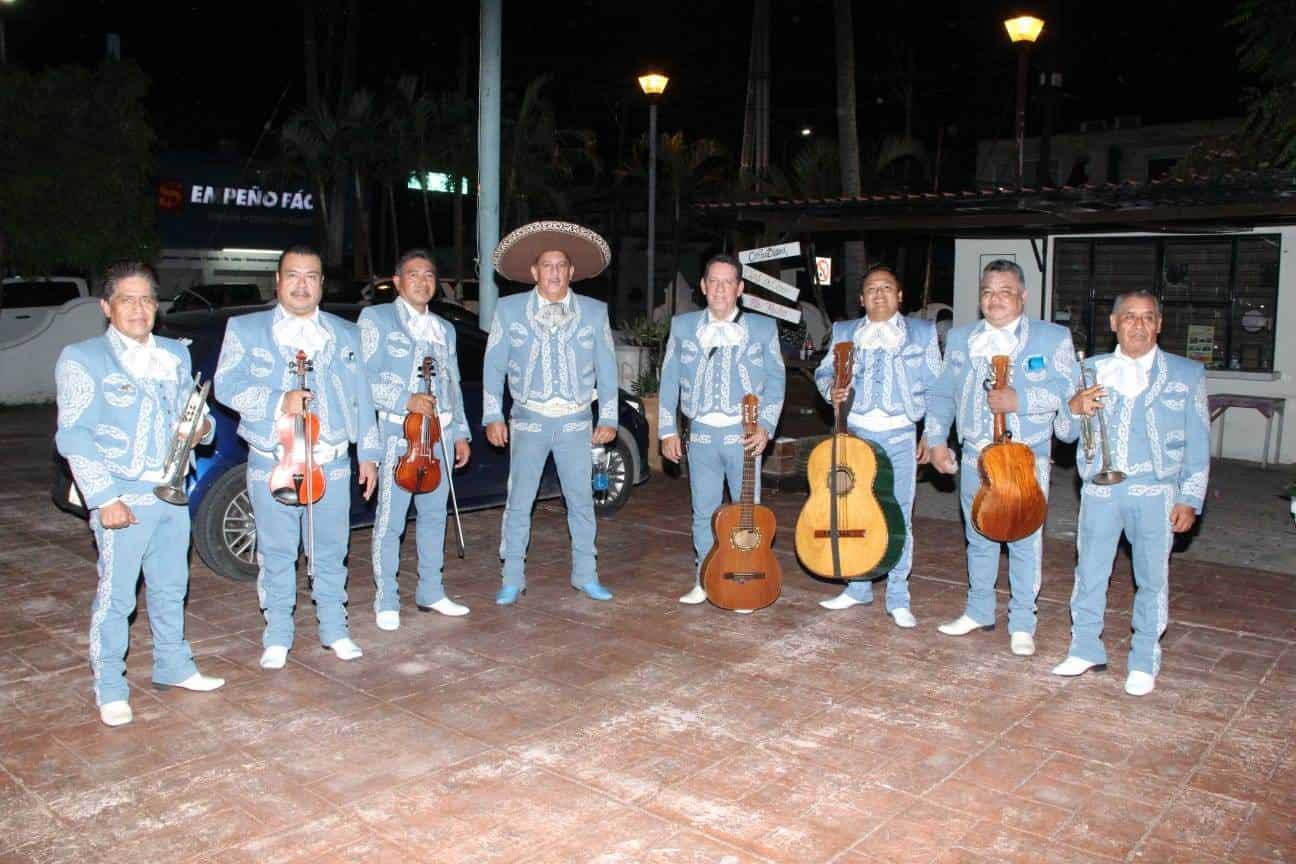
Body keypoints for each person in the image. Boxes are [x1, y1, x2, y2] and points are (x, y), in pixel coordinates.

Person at [54, 261, 224, 727]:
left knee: (172, 587)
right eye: (127, 299)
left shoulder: (174, 353)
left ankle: (174, 664)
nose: (139, 308)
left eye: (147, 299)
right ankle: (110, 686)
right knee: (117, 598)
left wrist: (201, 427)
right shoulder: (82, 357)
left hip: (172, 493)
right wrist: (104, 498)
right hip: (122, 495)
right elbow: (73, 435)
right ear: (107, 307)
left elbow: (198, 418)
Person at [214, 244, 382, 668]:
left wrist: (370, 453)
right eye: (293, 275)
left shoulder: (346, 332)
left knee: (331, 548)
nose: (302, 284)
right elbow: (225, 385)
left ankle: (334, 628)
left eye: (311, 276)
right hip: (274, 459)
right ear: (278, 281)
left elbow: (363, 395)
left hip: (333, 459)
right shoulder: (245, 328)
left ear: (322, 284)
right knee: (277, 550)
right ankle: (278, 634)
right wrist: (277, 400)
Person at [1052, 289, 1210, 696]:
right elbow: (1064, 434)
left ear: (1159, 324)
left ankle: (1143, 659)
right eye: (1129, 317)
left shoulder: (1187, 373)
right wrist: (1072, 407)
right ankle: (1085, 646)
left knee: (1152, 579)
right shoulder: (1090, 370)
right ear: (1113, 323)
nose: (1137, 325)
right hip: (1100, 492)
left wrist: (1189, 498)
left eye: (1146, 317)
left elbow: (1198, 443)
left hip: (1156, 492)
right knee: (1089, 571)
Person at [925, 259, 1078, 656]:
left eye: (1005, 291)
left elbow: (1072, 396)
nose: (996, 299)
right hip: (976, 455)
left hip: (1026, 459)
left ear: (1023, 296)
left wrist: (1021, 400)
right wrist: (937, 439)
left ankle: (1023, 622)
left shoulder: (1052, 338)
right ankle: (979, 610)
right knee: (979, 534)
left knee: (1025, 538)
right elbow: (943, 393)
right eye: (988, 292)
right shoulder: (960, 339)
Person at [483, 221, 619, 605]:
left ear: (572, 271)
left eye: (561, 265)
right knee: (519, 500)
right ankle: (511, 576)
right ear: (534, 272)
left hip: (576, 419)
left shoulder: (594, 312)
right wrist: (493, 415)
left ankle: (586, 574)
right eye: (547, 265)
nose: (555, 272)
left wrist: (608, 418)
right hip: (528, 418)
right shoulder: (509, 311)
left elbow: (607, 368)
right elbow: (493, 366)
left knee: (580, 501)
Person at [813, 265, 940, 626]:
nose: (879, 294)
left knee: (897, 513)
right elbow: (823, 373)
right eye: (871, 289)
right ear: (861, 298)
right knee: (854, 510)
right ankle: (858, 586)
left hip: (901, 434)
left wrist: (931, 434)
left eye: (887, 288)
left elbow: (937, 386)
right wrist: (830, 391)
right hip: (856, 434)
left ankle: (899, 596)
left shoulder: (923, 333)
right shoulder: (844, 331)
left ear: (900, 296)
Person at [658, 253, 786, 610]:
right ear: (702, 286)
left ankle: (746, 577)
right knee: (704, 511)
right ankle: (705, 577)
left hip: (743, 435)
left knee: (749, 511)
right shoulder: (684, 326)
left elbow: (777, 380)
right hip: (700, 434)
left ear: (740, 288)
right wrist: (668, 430)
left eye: (727, 282)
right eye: (713, 281)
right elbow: (668, 380)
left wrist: (768, 427)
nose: (720, 288)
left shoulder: (762, 328)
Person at [358, 250, 472, 631]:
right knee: (391, 521)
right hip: (398, 434)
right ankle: (386, 598)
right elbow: (362, 378)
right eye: (413, 274)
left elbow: (452, 384)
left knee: (434, 515)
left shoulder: (445, 328)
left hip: (437, 436)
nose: (422, 281)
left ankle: (431, 590)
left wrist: (460, 434)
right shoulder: (376, 318)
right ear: (397, 280)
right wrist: (404, 399)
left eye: (428, 274)